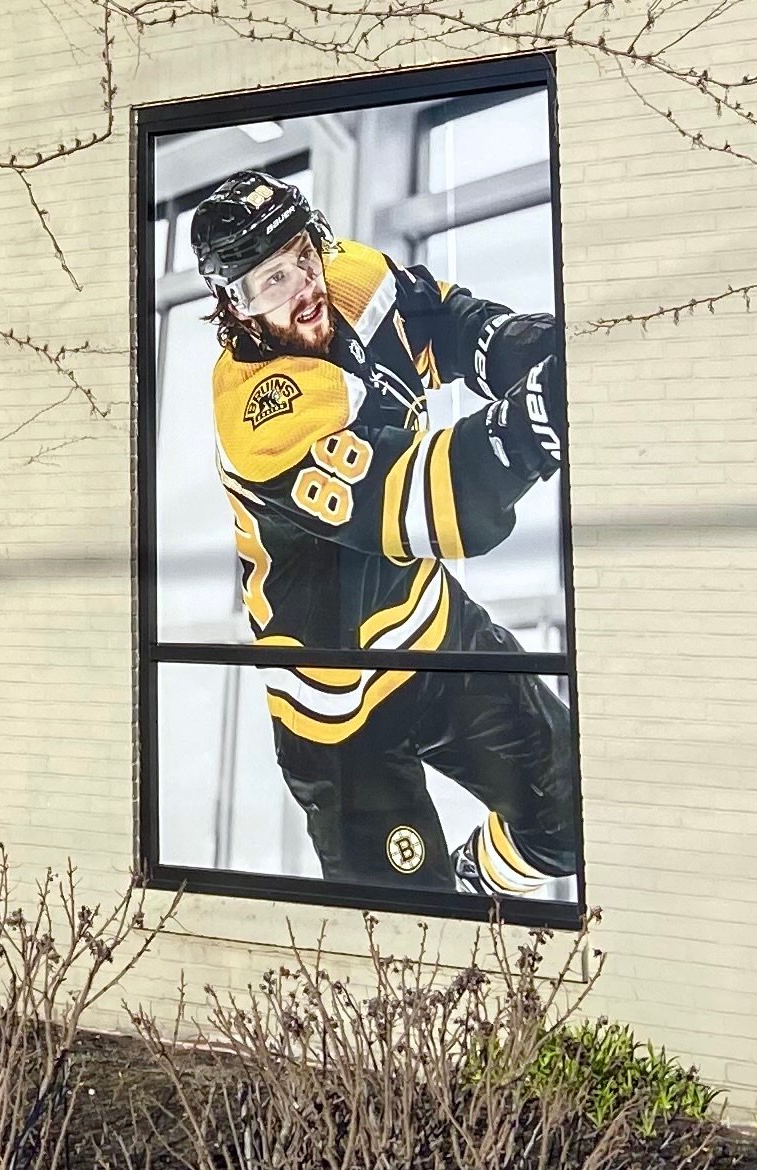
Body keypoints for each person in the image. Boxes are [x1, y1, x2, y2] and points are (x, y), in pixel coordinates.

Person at [190, 167, 580, 900]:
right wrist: (538, 417)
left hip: (433, 634)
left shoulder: (355, 279)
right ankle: (439, 899)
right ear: (235, 306)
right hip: (336, 708)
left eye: (301, 256)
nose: (302, 286)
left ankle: (474, 883)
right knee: (402, 934)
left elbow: (460, 329)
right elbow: (427, 503)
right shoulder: (259, 413)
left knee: (570, 816)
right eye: (270, 281)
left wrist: (564, 351)